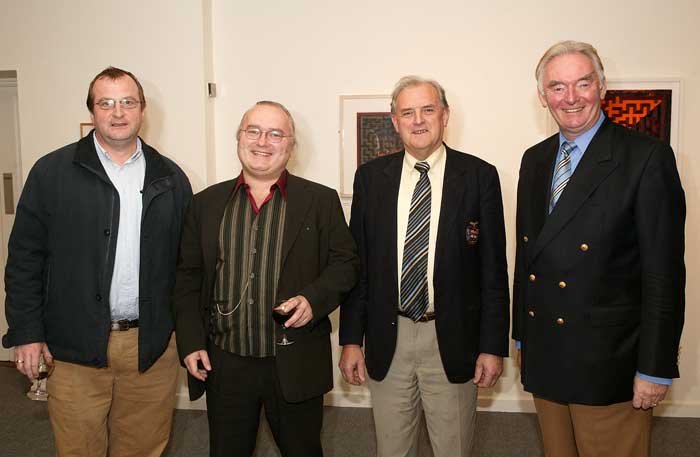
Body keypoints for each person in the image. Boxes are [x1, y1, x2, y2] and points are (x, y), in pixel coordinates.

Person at [2, 66, 192, 456]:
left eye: (127, 102)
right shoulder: (52, 172)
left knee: (143, 448)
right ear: (92, 111)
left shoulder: (170, 177)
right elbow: (24, 258)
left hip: (149, 347)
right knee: (79, 449)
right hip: (73, 346)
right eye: (106, 103)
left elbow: (187, 267)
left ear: (143, 111)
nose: (118, 112)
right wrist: (26, 331)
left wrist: (189, 335)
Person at [512, 40, 686, 457]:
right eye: (557, 87)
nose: (570, 98)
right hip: (547, 356)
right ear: (542, 96)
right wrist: (522, 339)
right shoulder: (534, 160)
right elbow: (527, 257)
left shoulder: (645, 158)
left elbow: (664, 274)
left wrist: (655, 368)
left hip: (610, 365)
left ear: (602, 87)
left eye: (582, 83)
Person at [173, 100, 359, 457]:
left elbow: (346, 263)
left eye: (276, 134)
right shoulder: (205, 204)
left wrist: (313, 299)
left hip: (294, 359)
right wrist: (192, 341)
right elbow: (188, 278)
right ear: (239, 138)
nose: (263, 142)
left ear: (291, 145)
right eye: (253, 131)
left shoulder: (320, 200)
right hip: (225, 361)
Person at [339, 76, 510, 457]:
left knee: (454, 448)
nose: (418, 120)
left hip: (453, 338)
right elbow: (359, 269)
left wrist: (491, 346)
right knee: (392, 449)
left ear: (445, 115)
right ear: (395, 121)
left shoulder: (480, 176)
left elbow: (493, 271)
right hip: (388, 335)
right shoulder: (370, 179)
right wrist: (351, 340)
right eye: (408, 112)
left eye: (428, 110)